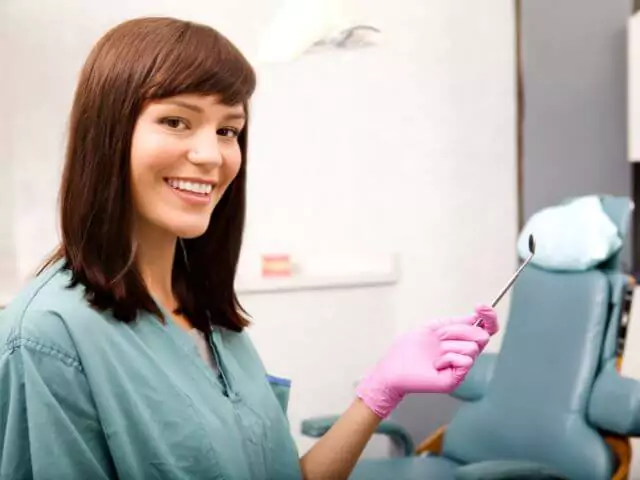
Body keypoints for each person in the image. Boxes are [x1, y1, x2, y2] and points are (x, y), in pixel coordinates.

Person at [0, 16, 499, 480]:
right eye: (176, 121)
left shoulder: (205, 315)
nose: (210, 155)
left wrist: (381, 389)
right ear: (108, 134)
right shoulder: (48, 339)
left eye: (228, 130)